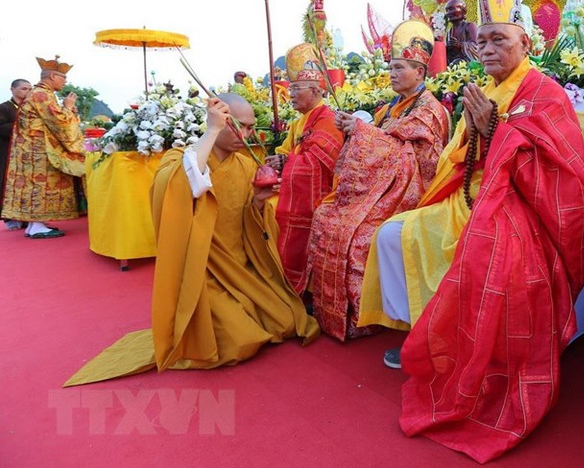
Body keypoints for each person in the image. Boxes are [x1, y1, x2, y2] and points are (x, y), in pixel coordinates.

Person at [358, 0, 584, 463]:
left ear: (524, 40)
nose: (485, 48)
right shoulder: (483, 90)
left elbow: (564, 173)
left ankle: (475, 359)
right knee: (393, 233)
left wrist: (495, 129)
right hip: (471, 193)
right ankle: (424, 336)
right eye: (479, 40)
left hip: (521, 204)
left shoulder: (543, 93)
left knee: (492, 251)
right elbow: (457, 159)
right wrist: (477, 132)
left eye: (497, 38)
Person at [65, 94, 318, 386]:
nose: (249, 134)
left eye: (250, 127)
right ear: (217, 121)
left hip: (243, 269)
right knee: (239, 342)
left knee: (286, 320)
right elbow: (179, 189)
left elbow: (253, 223)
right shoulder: (181, 158)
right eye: (239, 126)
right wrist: (210, 131)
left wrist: (259, 203)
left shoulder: (246, 164)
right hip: (203, 272)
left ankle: (247, 307)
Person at [305, 20, 449, 341]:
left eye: (399, 68)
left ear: (420, 72)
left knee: (360, 235)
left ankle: (361, 317)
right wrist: (355, 130)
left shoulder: (431, 111)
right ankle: (331, 310)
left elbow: (415, 161)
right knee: (327, 217)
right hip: (380, 188)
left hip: (411, 193)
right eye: (391, 68)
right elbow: (380, 144)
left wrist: (362, 133)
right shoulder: (389, 109)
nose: (392, 74)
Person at [266, 43, 344, 293]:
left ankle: (292, 284)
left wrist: (286, 163)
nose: (290, 94)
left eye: (296, 88)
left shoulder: (328, 120)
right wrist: (276, 162)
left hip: (322, 193)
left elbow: (318, 166)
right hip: (295, 187)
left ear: (315, 90)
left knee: (270, 209)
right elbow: (287, 152)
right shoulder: (299, 123)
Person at [2, 57, 84, 238]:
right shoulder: (42, 94)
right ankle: (37, 225)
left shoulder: (39, 93)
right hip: (39, 150)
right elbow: (59, 121)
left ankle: (34, 225)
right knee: (40, 184)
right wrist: (69, 108)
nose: (65, 82)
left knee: (34, 185)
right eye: (63, 78)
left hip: (31, 149)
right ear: (53, 76)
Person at [1, 78, 31, 230]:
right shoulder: (4, 108)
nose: (27, 92)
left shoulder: (31, 108)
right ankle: (10, 218)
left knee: (27, 186)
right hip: (8, 154)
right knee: (9, 185)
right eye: (24, 88)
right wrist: (21, 125)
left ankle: (28, 218)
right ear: (12, 89)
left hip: (28, 155)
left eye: (29, 89)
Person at [443, 0, 478, 66]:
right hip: (452, 62)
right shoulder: (449, 31)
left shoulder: (470, 26)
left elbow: (477, 45)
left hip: (468, 62)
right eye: (447, 10)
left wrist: (460, 45)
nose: (448, 13)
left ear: (463, 11)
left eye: (451, 9)